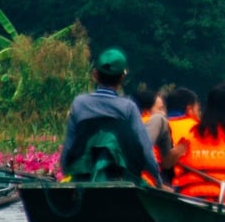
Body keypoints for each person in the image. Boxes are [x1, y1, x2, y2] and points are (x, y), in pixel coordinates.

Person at [59, 48, 164, 185]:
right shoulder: (128, 108)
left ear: (95, 74)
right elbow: (144, 150)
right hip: (122, 180)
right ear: (122, 78)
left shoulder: (79, 104)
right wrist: (158, 180)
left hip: (83, 179)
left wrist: (67, 172)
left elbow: (68, 147)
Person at [134, 83, 175, 182]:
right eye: (160, 109)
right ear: (145, 112)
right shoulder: (158, 122)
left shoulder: (129, 125)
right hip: (148, 181)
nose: (164, 113)